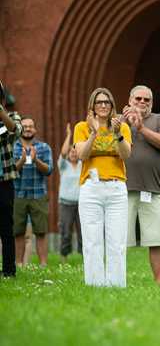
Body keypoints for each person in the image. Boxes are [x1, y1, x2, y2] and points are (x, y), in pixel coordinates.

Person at [74, 88, 131, 287]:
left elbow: (125, 155)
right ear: (93, 106)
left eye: (107, 102)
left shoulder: (121, 127)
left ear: (112, 106)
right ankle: (95, 285)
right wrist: (94, 132)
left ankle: (116, 285)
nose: (104, 105)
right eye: (99, 102)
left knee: (117, 241)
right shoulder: (81, 127)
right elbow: (82, 155)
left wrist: (118, 135)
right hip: (91, 187)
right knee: (92, 240)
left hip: (116, 188)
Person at [123, 85, 160, 284]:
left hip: (153, 190)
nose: (142, 102)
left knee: (157, 240)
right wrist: (123, 123)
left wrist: (141, 128)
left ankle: (159, 282)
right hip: (122, 190)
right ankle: (117, 280)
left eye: (147, 100)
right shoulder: (118, 119)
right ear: (129, 100)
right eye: (138, 99)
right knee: (118, 240)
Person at [13, 117, 53, 267]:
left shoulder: (44, 147)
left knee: (41, 231)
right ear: (20, 129)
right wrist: (22, 161)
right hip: (18, 195)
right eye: (25, 126)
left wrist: (36, 160)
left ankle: (43, 265)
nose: (28, 129)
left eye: (31, 126)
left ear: (35, 130)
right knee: (18, 231)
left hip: (39, 195)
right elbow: (9, 172)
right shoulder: (13, 147)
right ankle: (18, 264)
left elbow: (49, 170)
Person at [0, 80, 22, 277]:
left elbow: (14, 130)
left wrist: (0, 112)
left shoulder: (12, 116)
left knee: (6, 228)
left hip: (5, 180)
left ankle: (8, 270)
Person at [58, 122, 83, 263]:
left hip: (81, 204)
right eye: (71, 151)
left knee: (83, 233)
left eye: (75, 151)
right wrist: (69, 135)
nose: (73, 153)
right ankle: (64, 258)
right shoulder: (63, 165)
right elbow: (62, 152)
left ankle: (83, 258)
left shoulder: (82, 165)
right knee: (66, 232)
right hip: (66, 204)